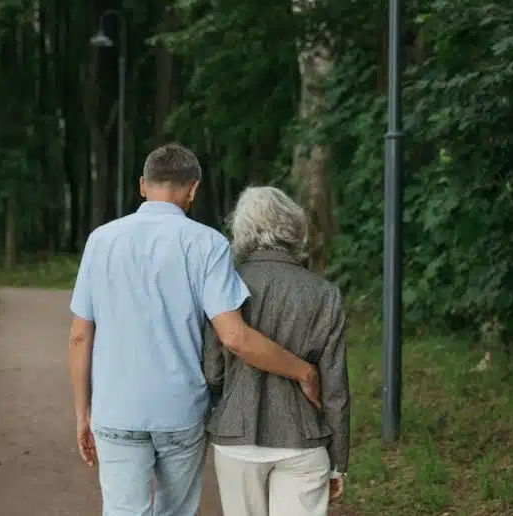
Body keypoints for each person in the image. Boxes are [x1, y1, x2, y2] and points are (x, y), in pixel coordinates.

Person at [68, 144, 321, 516]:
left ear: (142, 185)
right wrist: (304, 371)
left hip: (116, 409)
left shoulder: (101, 240)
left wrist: (82, 411)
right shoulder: (208, 244)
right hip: (180, 412)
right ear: (193, 189)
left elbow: (79, 336)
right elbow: (234, 337)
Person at [203, 186, 350, 516]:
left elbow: (212, 372)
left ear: (243, 228)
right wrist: (338, 462)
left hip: (236, 436)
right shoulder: (325, 294)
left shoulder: (224, 284)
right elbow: (335, 389)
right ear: (294, 228)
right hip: (304, 439)